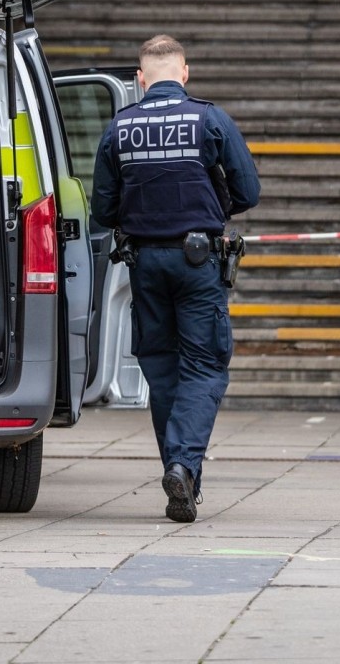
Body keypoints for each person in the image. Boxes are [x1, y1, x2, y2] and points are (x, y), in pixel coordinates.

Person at [91, 35, 260, 523]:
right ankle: (184, 466)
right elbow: (248, 190)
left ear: (141, 79)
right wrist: (213, 203)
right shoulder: (209, 119)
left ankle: (179, 474)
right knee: (204, 367)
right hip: (197, 262)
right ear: (184, 73)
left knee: (162, 370)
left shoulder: (119, 127)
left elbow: (103, 208)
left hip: (144, 265)